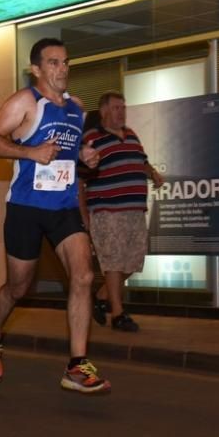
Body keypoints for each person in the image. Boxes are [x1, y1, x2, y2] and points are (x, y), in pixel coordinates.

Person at [0, 37, 110, 394]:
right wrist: (31, 152)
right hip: (26, 208)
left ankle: (77, 365)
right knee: (18, 287)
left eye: (66, 62)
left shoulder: (77, 108)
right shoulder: (25, 102)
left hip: (63, 207)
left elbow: (70, 152)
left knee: (83, 275)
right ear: (36, 69)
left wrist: (85, 156)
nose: (62, 69)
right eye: (53, 63)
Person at [82, 91, 164, 332]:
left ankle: (101, 296)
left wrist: (153, 173)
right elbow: (79, 179)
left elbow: (142, 160)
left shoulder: (131, 135)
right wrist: (84, 214)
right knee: (114, 262)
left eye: (123, 108)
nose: (122, 112)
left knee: (133, 260)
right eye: (117, 108)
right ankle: (118, 314)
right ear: (104, 111)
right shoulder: (91, 138)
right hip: (107, 209)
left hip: (135, 210)